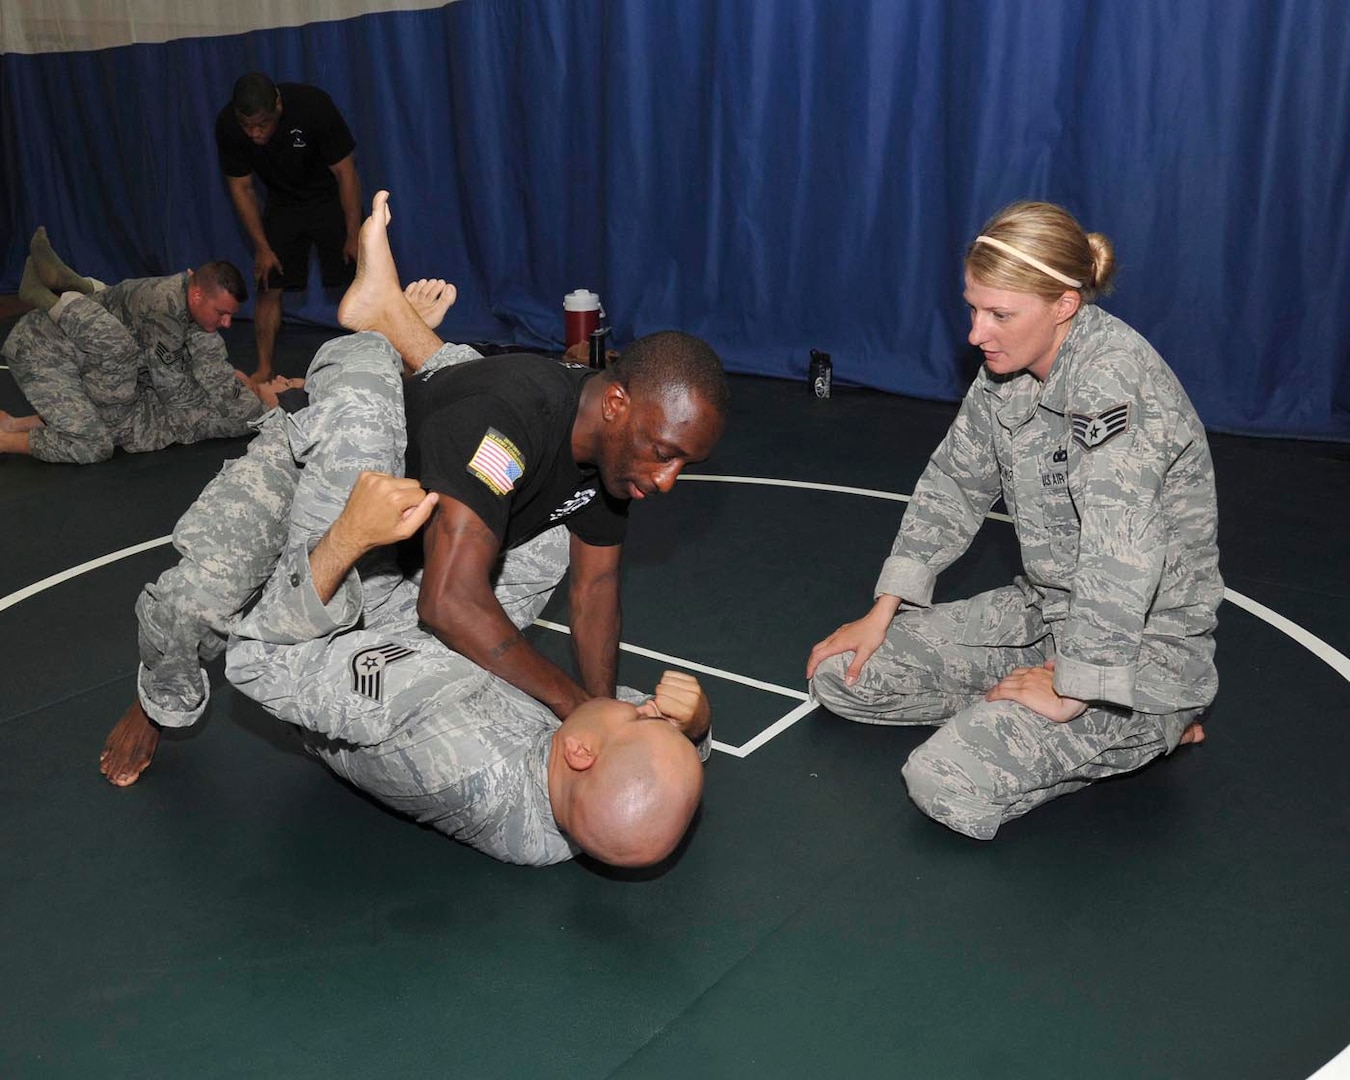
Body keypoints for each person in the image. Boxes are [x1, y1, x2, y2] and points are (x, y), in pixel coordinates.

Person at [100, 190, 727, 790]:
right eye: (665, 454)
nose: (666, 480)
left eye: (683, 465)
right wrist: (575, 708)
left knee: (531, 553)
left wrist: (598, 706)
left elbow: (597, 588)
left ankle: (393, 322)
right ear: (616, 403)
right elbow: (448, 602)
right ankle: (158, 704)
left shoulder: (615, 459)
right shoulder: (512, 425)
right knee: (191, 608)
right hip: (313, 464)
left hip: (402, 532)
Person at [807, 200, 1222, 840]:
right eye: (974, 308)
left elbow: (1121, 549)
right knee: (842, 678)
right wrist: (881, 610)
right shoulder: (1007, 372)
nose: (977, 332)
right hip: (1042, 617)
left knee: (943, 782)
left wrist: (1072, 690)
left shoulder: (1112, 383)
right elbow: (953, 483)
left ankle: (1150, 723)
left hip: (1136, 654)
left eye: (1000, 314)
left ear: (1064, 304)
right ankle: (1034, 719)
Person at [222, 331, 710, 867]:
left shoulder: (428, 731)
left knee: (366, 372)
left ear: (581, 752)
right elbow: (637, 761)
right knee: (552, 504)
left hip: (362, 650)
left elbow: (256, 660)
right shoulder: (590, 793)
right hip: (441, 641)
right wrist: (697, 727)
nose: (638, 709)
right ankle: (443, 365)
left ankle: (381, 332)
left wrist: (349, 539)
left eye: (641, 720)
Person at [0, 229, 291, 463]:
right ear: (198, 294)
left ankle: (12, 426)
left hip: (81, 348)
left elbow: (211, 366)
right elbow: (175, 391)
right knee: (94, 442)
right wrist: (245, 392)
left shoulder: (196, 314)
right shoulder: (165, 311)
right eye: (221, 313)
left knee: (122, 371)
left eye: (287, 383)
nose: (227, 323)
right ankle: (4, 441)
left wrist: (238, 388)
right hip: (44, 351)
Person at [216, 72, 361, 384]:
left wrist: (353, 236)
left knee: (363, 281)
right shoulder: (228, 125)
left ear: (278, 106)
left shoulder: (313, 106)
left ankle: (385, 358)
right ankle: (265, 368)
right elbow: (242, 189)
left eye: (262, 125)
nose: (254, 134)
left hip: (329, 198)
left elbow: (345, 172)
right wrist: (263, 248)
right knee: (269, 283)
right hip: (283, 204)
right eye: (248, 126)